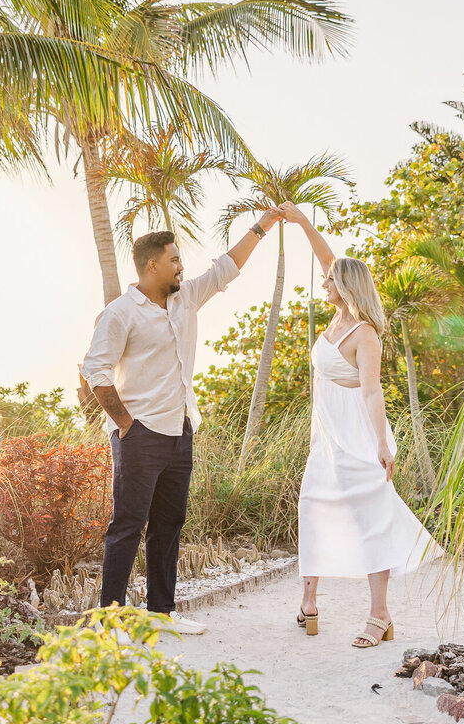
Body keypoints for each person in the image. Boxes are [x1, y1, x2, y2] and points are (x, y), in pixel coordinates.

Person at [81, 209, 283, 634]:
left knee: (169, 524)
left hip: (179, 429)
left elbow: (226, 268)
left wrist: (261, 226)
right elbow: (95, 371)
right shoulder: (121, 313)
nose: (181, 266)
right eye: (174, 260)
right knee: (128, 526)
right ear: (151, 265)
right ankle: (110, 622)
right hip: (139, 434)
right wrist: (126, 425)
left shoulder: (185, 297)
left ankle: (161, 614)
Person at [279, 200, 441, 648]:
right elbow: (325, 256)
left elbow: (372, 391)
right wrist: (302, 221)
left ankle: (380, 615)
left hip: (359, 439)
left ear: (346, 286)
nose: (324, 280)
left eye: (331, 279)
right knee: (312, 507)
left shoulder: (364, 333)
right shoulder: (335, 318)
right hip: (327, 441)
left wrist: (382, 446)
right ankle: (309, 603)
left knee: (372, 521)